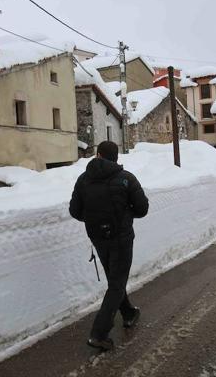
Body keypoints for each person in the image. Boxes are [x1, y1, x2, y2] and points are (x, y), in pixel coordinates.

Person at [69, 140, 149, 351]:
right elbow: (142, 209)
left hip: (97, 238)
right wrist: (126, 213)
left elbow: (75, 211)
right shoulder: (126, 179)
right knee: (116, 283)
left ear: (98, 155)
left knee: (115, 279)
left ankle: (129, 313)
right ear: (116, 157)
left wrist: (93, 218)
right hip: (121, 239)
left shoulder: (83, 179)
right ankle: (99, 333)